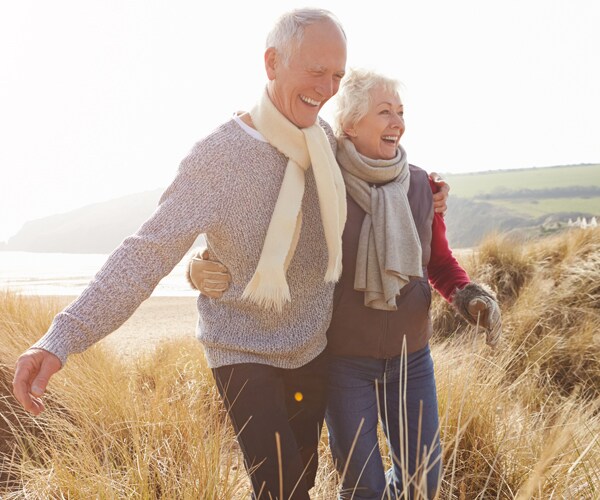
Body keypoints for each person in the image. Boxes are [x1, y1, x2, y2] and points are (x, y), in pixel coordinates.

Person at [13, 8, 349, 500]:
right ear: (272, 62)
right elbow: (146, 252)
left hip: (311, 345)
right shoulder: (218, 156)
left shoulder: (326, 143)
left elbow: (372, 188)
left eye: (337, 75)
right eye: (315, 71)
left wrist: (429, 194)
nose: (327, 88)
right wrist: (60, 338)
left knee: (301, 478)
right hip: (241, 347)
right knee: (283, 490)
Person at [189, 68, 501, 499]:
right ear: (350, 124)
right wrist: (199, 266)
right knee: (362, 487)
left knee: (421, 483)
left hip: (412, 359)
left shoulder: (421, 186)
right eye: (384, 112)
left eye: (401, 112)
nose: (398, 122)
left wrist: (468, 295)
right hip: (342, 362)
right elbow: (267, 240)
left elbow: (440, 263)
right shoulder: (319, 180)